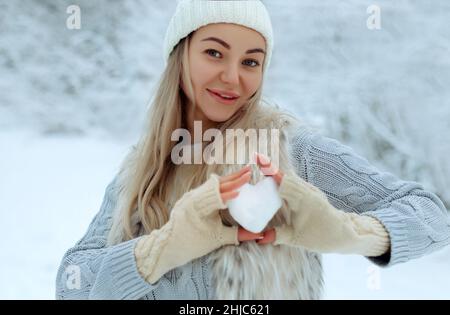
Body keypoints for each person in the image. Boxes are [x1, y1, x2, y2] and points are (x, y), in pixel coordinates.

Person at [55, 0, 450, 299]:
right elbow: (71, 284)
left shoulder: (290, 150)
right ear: (180, 55)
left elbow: (431, 215)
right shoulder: (143, 167)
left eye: (250, 61)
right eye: (214, 53)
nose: (232, 77)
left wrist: (348, 232)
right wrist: (163, 248)